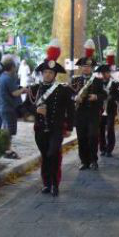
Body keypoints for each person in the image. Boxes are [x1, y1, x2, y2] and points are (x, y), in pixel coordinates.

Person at [25, 40, 75, 197]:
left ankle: (55, 184)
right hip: (40, 128)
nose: (48, 75)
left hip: (56, 128)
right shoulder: (35, 89)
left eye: (51, 73)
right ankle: (46, 183)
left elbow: (71, 109)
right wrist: (35, 110)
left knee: (54, 153)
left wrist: (69, 128)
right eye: (46, 72)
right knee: (45, 156)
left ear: (55, 75)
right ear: (42, 73)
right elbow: (25, 107)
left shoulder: (63, 90)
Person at [71, 40, 106, 170]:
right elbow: (69, 95)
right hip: (80, 114)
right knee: (81, 138)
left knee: (92, 136)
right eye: (84, 66)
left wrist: (96, 97)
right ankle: (84, 161)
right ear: (81, 67)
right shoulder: (75, 81)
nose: (86, 68)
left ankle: (93, 160)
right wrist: (75, 97)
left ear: (92, 68)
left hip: (93, 114)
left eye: (89, 66)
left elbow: (104, 95)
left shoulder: (97, 81)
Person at [0, 54, 27, 157]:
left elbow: (14, 89)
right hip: (9, 108)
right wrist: (23, 90)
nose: (16, 68)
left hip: (5, 107)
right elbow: (14, 93)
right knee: (8, 131)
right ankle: (7, 150)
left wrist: (22, 90)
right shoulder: (7, 79)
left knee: (6, 129)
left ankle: (5, 148)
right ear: (12, 67)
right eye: (15, 66)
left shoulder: (4, 77)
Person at [97, 50, 118, 158]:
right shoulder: (99, 83)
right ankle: (102, 148)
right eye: (104, 73)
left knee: (110, 128)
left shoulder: (114, 83)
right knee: (100, 129)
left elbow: (117, 95)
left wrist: (111, 97)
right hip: (101, 109)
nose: (106, 74)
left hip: (110, 109)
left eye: (107, 72)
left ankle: (110, 149)